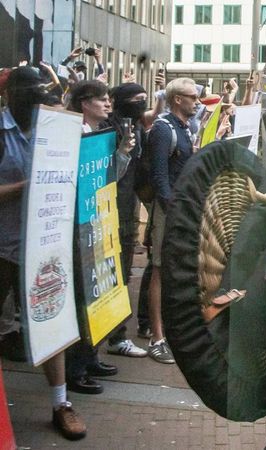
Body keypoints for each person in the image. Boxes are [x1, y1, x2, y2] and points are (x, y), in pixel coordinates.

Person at [0, 66, 86, 440]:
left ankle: (61, 403)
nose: (37, 106)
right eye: (31, 99)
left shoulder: (53, 128)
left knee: (52, 327)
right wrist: (26, 186)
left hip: (43, 247)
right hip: (3, 247)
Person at [63, 80, 123, 395]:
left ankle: (90, 357)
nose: (108, 105)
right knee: (80, 299)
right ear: (84, 103)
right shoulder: (70, 133)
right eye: (101, 99)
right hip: (78, 225)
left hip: (98, 220)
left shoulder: (98, 135)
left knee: (97, 293)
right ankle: (75, 369)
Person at [144, 77, 198, 364]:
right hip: (169, 211)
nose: (197, 100)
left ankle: (163, 332)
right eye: (191, 96)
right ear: (177, 99)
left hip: (178, 210)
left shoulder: (182, 128)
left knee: (171, 270)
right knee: (159, 270)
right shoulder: (164, 130)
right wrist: (172, 209)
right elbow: (159, 177)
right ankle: (157, 337)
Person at [100, 82, 150, 358]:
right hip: (108, 212)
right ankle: (110, 337)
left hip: (127, 211)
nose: (141, 103)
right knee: (110, 275)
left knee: (122, 274)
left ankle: (116, 336)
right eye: (136, 99)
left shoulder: (137, 128)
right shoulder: (109, 129)